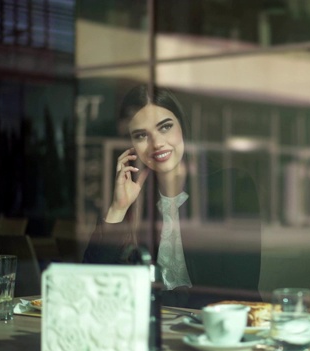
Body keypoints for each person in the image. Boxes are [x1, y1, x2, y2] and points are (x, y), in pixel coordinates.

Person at [83, 84, 262, 308]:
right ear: (130, 146)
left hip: (219, 329)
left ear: (182, 128)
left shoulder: (231, 187)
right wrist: (117, 209)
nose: (156, 143)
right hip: (153, 329)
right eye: (141, 135)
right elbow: (91, 284)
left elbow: (239, 286)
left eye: (165, 127)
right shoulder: (136, 198)